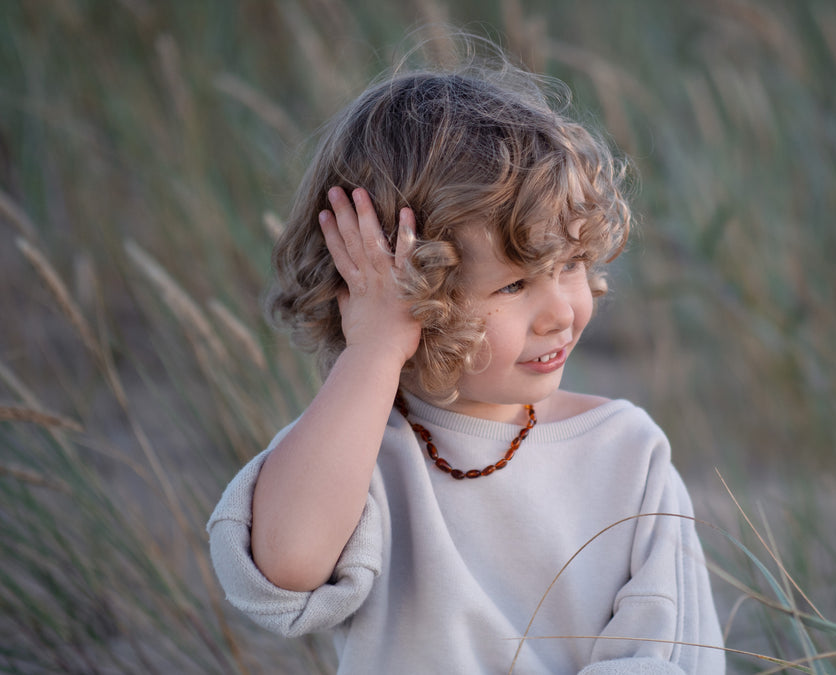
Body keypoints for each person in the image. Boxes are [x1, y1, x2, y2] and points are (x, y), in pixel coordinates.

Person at [207, 37, 725, 674]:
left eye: (570, 264)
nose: (563, 309)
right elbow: (281, 574)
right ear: (398, 290)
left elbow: (667, 656)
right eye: (512, 284)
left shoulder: (626, 455)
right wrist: (374, 353)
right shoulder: (361, 451)